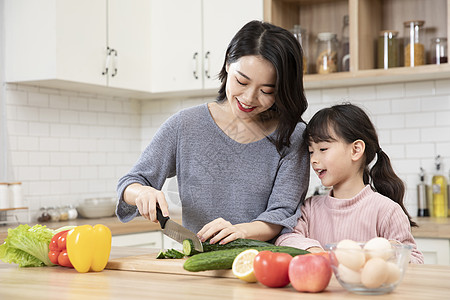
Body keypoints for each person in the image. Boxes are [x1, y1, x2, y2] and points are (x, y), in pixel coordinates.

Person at [116, 20, 310, 245]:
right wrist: (141, 193)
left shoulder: (293, 136)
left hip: (260, 268)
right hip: (196, 264)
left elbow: (281, 214)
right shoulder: (185, 124)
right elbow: (131, 182)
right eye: (241, 81)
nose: (249, 98)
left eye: (267, 91)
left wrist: (240, 232)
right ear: (228, 62)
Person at [276, 103, 423, 264]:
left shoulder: (387, 211)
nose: (314, 160)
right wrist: (315, 251)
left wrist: (392, 251)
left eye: (323, 149)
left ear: (356, 150)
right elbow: (286, 238)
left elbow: (415, 261)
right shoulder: (310, 209)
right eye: (311, 151)